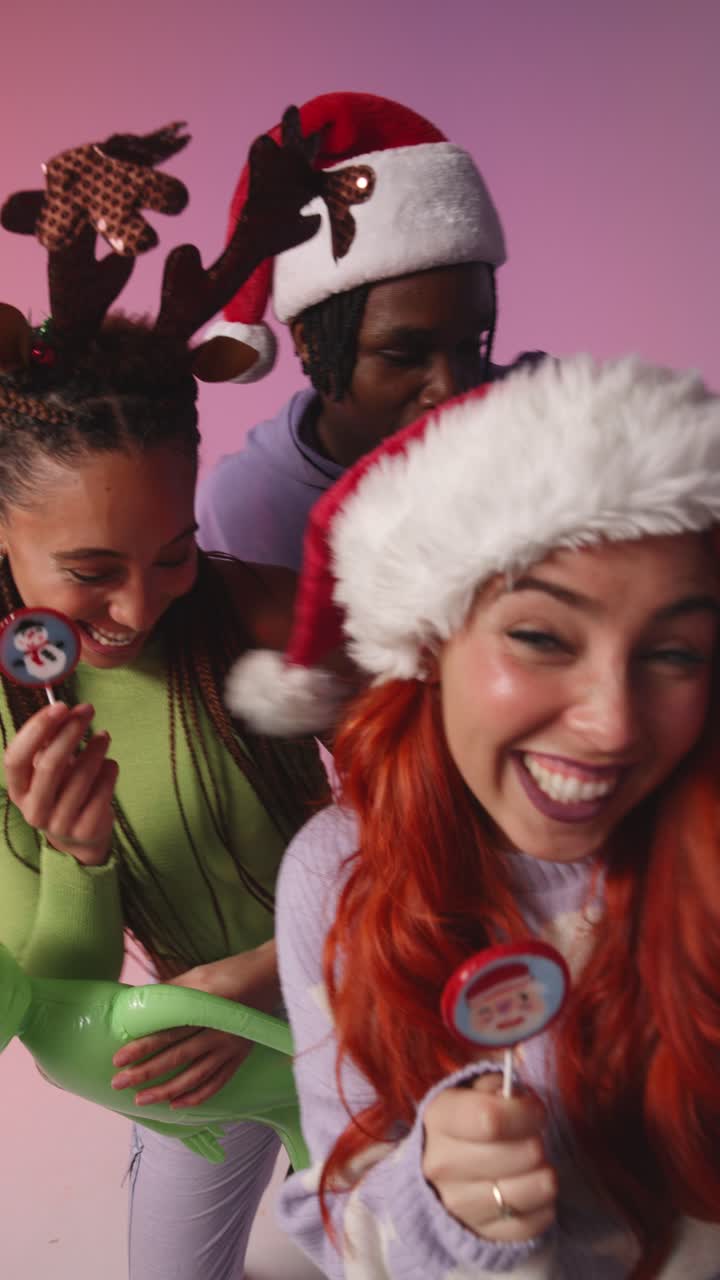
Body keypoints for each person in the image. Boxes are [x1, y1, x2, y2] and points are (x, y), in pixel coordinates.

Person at [228, 354, 720, 1277]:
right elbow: (346, 1231)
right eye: (540, 636)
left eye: (677, 652)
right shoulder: (336, 876)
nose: (611, 722)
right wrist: (438, 1205)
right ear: (431, 637)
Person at [0, 117, 331, 1280]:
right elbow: (47, 998)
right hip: (208, 1056)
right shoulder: (5, 711)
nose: (140, 609)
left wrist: (258, 976)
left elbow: (447, 804)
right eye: (91, 573)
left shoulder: (254, 612)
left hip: (366, 1005)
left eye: (175, 550)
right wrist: (75, 855)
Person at [196, 90, 542, 570]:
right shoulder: (248, 509)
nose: (451, 389)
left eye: (471, 346)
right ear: (307, 341)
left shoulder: (551, 419)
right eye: (405, 356)